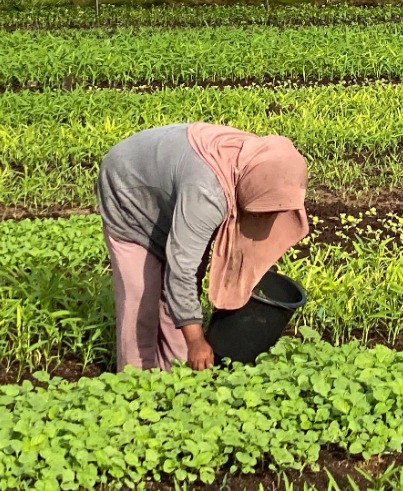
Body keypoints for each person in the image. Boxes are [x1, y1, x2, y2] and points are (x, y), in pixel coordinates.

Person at [94, 122, 310, 371]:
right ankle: (133, 384)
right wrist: (196, 340)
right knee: (141, 299)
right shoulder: (208, 193)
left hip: (174, 185)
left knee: (180, 295)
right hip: (129, 189)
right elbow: (181, 268)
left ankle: (175, 378)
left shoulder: (264, 165)